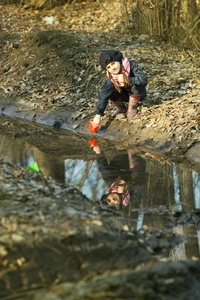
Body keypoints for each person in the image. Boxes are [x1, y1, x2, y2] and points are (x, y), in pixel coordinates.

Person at [93, 49, 148, 126]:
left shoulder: (131, 65)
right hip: (124, 95)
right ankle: (120, 107)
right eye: (109, 67)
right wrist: (98, 114)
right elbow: (104, 94)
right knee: (109, 88)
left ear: (119, 61)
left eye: (113, 63)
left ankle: (132, 107)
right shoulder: (111, 77)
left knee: (135, 85)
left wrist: (128, 79)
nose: (112, 68)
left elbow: (144, 80)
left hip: (137, 94)